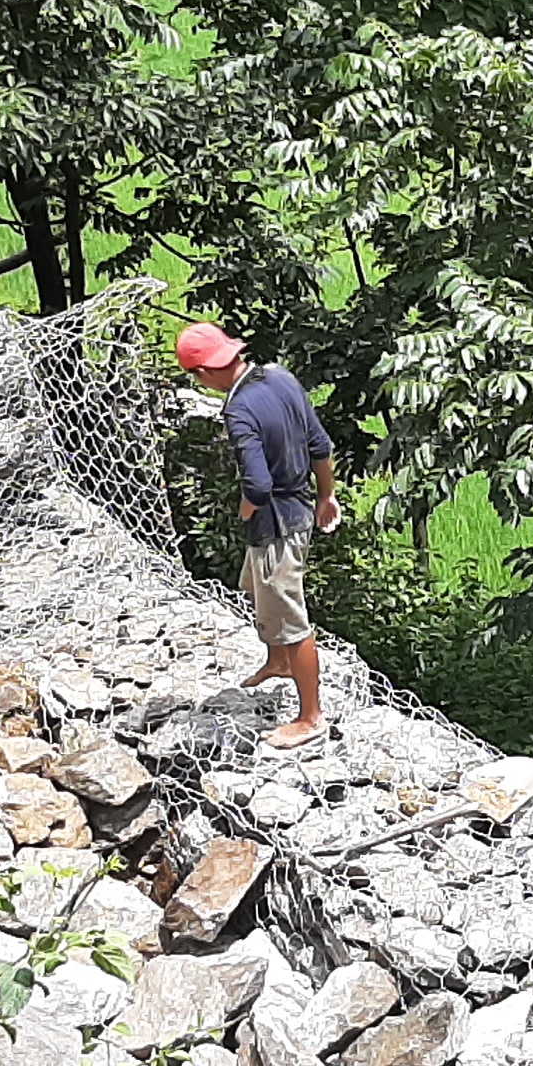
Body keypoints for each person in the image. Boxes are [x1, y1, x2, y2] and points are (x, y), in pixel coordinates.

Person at [170, 321, 337, 751]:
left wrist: (247, 505)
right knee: (258, 587)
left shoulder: (238, 408)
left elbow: (258, 486)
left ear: (204, 374)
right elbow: (319, 444)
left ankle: (310, 717)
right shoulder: (281, 376)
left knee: (288, 612)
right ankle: (277, 662)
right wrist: (327, 497)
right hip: (300, 508)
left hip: (277, 523)